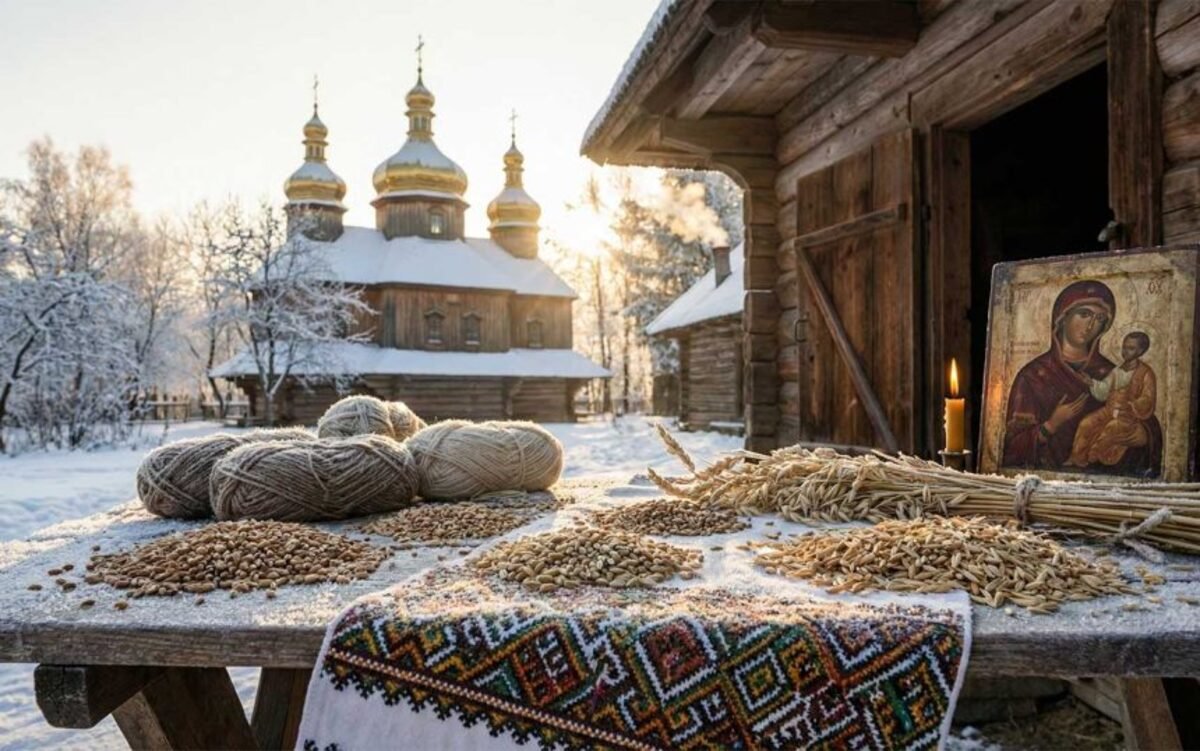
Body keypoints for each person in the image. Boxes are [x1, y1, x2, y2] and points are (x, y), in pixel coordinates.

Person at [1001, 280, 1161, 477]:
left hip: (1106, 492)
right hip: (1044, 489)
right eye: (1084, 314)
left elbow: (1147, 419)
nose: (1091, 325)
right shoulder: (1032, 376)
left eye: (1100, 318)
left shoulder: (1112, 372)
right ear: (1063, 316)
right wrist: (1051, 425)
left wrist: (1144, 436)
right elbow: (1010, 449)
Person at [1066, 332, 1157, 468]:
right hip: (1109, 410)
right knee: (1086, 423)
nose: (1125, 352)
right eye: (1124, 347)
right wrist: (1091, 382)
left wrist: (1132, 405)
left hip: (1128, 416)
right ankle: (1077, 458)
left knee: (1111, 428)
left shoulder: (1146, 373)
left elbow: (1148, 398)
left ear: (1141, 351)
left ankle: (1092, 457)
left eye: (1130, 348)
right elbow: (1104, 390)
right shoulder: (1117, 370)